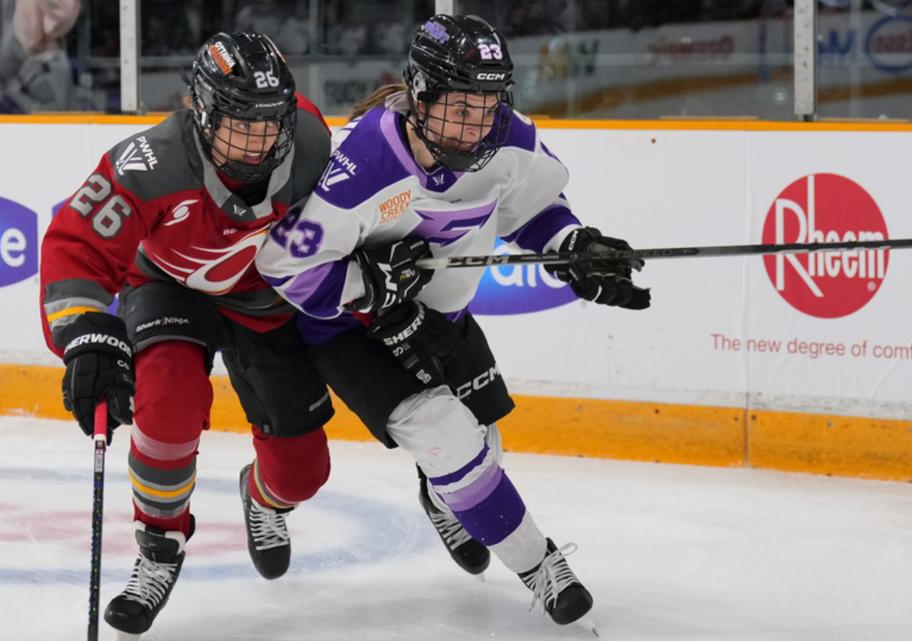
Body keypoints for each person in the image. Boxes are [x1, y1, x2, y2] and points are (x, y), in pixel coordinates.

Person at [256, 14, 649, 629]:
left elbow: (536, 207)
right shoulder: (364, 162)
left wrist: (575, 249)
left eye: (489, 106)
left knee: (483, 445)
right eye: (461, 108)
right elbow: (287, 268)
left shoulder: (508, 140)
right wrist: (374, 287)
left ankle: (442, 497)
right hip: (352, 331)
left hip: (441, 315)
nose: (477, 124)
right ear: (420, 96)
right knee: (452, 441)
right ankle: (539, 565)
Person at [39, 32, 335, 637]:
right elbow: (76, 245)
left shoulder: (311, 142)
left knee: (304, 471)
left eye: (268, 124)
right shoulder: (148, 163)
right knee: (165, 409)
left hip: (264, 298)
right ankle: (159, 547)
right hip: (167, 286)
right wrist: (86, 334)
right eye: (238, 124)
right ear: (201, 110)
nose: (257, 143)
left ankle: (263, 498)